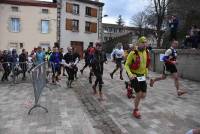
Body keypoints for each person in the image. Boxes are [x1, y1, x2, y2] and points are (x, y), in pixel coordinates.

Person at [125, 36, 151, 119]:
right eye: (142, 42)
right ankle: (135, 110)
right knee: (139, 94)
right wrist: (130, 74)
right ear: (138, 43)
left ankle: (129, 87)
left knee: (143, 95)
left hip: (142, 76)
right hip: (135, 76)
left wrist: (147, 74)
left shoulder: (146, 52)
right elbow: (126, 65)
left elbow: (146, 65)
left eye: (145, 42)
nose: (144, 44)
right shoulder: (133, 53)